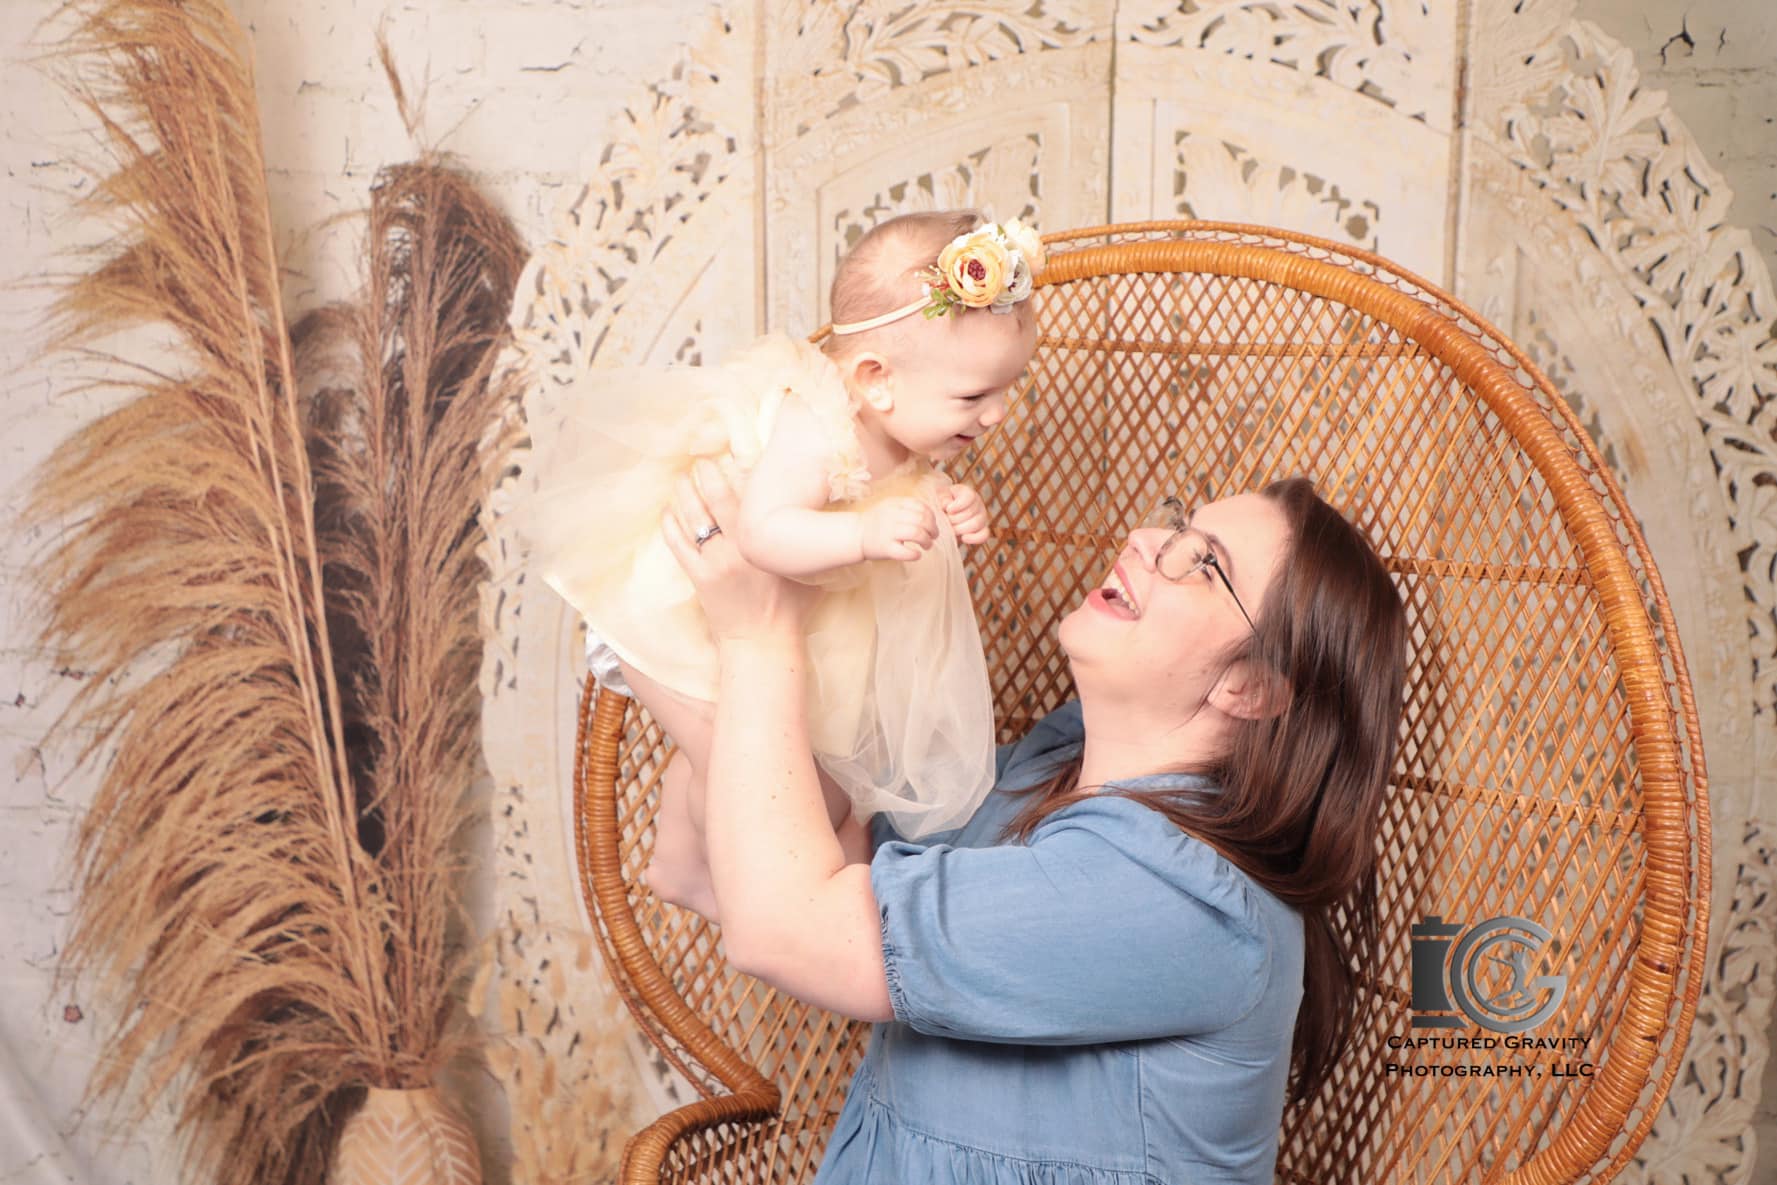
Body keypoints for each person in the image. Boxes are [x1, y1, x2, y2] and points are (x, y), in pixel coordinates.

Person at [660, 463, 1407, 1184]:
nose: (1146, 538)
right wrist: (674, 623)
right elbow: (710, 866)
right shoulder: (1042, 772)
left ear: (1250, 686)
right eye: (1179, 522)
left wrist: (756, 640)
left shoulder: (1184, 901)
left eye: (1202, 563)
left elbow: (785, 926)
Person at [516, 211, 1043, 917]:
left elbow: (901, 490)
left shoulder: (900, 429)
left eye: (1008, 387)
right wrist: (864, 533)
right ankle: (734, 886)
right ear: (875, 380)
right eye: (975, 397)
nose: (998, 413)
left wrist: (949, 508)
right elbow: (763, 535)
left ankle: (677, 864)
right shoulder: (817, 427)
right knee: (749, 760)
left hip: (773, 626)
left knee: (755, 757)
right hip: (682, 608)